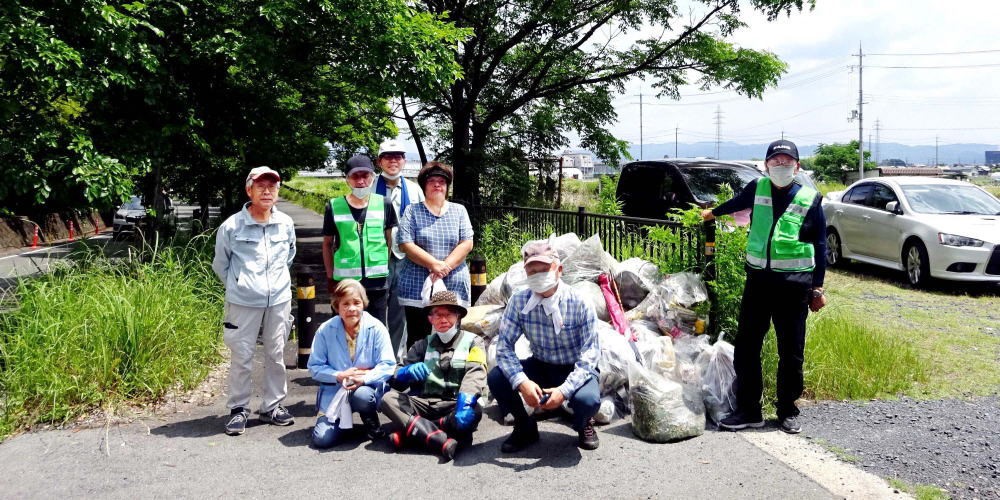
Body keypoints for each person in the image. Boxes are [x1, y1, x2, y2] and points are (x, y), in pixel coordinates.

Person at [700, 139, 828, 434]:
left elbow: (820, 244)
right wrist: (713, 213)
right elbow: (737, 204)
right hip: (758, 281)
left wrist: (817, 288)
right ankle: (749, 410)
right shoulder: (757, 188)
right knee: (746, 347)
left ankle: (787, 410)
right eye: (775, 161)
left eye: (787, 162)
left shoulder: (809, 198)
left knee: (791, 350)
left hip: (794, 286)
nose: (781, 166)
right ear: (766, 165)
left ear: (797, 166)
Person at [487, 239, 601, 452]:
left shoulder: (580, 302)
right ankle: (525, 425)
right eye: (532, 271)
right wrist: (522, 382)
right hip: (540, 364)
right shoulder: (519, 301)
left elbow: (591, 354)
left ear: (559, 269)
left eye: (544, 269)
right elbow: (503, 348)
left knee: (588, 400)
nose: (539, 276)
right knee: (497, 377)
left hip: (573, 366)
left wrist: (564, 391)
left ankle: (583, 423)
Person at [212, 166, 297, 436]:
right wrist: (241, 287)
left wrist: (275, 285)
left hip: (279, 300)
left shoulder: (285, 223)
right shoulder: (232, 226)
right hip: (243, 302)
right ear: (249, 190)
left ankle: (272, 406)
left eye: (272, 186)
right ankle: (238, 409)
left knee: (276, 354)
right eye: (261, 185)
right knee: (242, 356)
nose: (267, 190)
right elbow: (221, 264)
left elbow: (289, 256)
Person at [378, 290, 487, 461]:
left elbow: (476, 373)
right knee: (388, 399)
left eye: (449, 314)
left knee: (474, 411)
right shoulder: (421, 345)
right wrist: (406, 372)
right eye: (437, 314)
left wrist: (465, 402)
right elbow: (396, 380)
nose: (443, 320)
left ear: (458, 316)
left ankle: (413, 434)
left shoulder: (474, 342)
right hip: (426, 404)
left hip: (454, 405)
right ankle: (441, 440)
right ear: (430, 319)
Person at [307, 279, 396, 448]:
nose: (352, 309)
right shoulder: (325, 330)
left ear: (364, 304)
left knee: (363, 396)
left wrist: (364, 378)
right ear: (336, 307)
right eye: (345, 304)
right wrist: (339, 375)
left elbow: (388, 364)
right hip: (335, 391)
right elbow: (314, 366)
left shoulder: (376, 328)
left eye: (356, 302)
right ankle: (343, 425)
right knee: (322, 440)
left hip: (365, 388)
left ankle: (369, 419)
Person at [395, 162, 474, 350]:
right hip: (417, 283)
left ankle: (448, 373)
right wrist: (434, 265)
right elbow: (406, 243)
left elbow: (467, 242)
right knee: (417, 336)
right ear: (424, 186)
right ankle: (417, 375)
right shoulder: (412, 211)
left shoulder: (459, 211)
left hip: (453, 281)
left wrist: (445, 266)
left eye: (442, 181)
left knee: (450, 333)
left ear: (447, 187)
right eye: (432, 181)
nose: (437, 185)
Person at [322, 154, 397, 326]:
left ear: (372, 177)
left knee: (376, 328)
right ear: (347, 179)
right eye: (355, 176)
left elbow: (388, 240)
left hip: (377, 283)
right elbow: (327, 244)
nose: (361, 181)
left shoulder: (384, 203)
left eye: (365, 175)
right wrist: (330, 277)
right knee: (343, 329)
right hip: (345, 283)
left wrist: (382, 264)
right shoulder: (334, 206)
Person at [374, 140, 425, 357]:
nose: (393, 161)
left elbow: (422, 222)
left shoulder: (414, 190)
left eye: (398, 156)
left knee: (399, 311)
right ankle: (376, 355)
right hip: (377, 257)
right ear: (379, 161)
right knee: (375, 309)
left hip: (406, 257)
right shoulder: (369, 187)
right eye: (388, 157)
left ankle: (394, 357)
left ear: (404, 160)